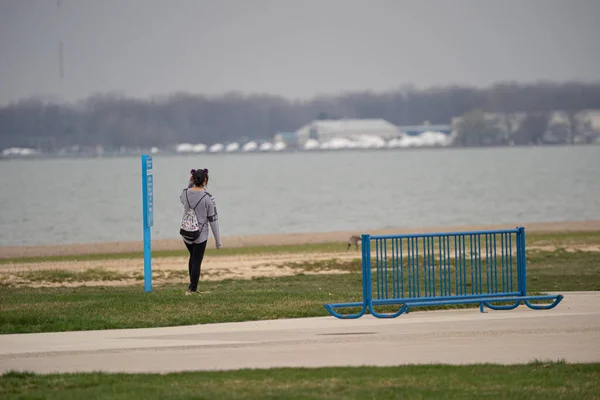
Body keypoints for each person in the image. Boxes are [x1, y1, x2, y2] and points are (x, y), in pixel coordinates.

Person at [180, 168, 222, 295]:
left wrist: (189, 184)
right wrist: (218, 241)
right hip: (200, 235)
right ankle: (192, 289)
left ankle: (191, 286)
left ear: (192, 179)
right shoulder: (208, 198)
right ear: (205, 180)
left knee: (193, 257)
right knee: (197, 260)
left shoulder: (185, 193)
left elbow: (182, 200)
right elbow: (213, 220)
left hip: (186, 233)